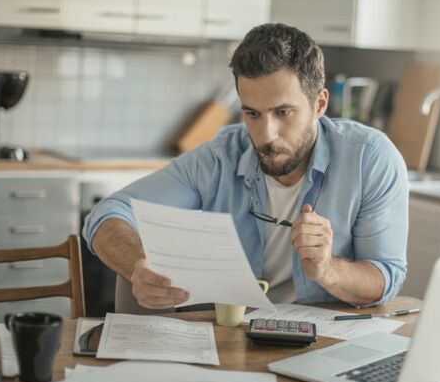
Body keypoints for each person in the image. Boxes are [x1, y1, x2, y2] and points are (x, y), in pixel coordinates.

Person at [83, 23, 408, 311]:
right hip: (235, 340)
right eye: (252, 113)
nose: (265, 135)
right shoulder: (217, 158)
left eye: (283, 112)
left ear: (319, 104)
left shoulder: (371, 158)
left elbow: (386, 277)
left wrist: (328, 269)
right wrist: (136, 266)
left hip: (323, 341)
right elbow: (108, 212)